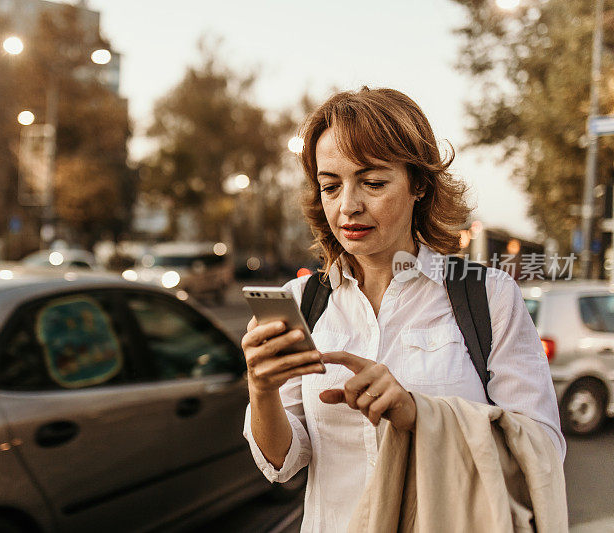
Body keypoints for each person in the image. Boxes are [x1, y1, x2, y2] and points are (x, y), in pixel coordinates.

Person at [240, 87, 565, 532]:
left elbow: (543, 449)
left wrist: (419, 414)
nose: (348, 206)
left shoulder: (488, 297)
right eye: (331, 186)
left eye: (372, 182)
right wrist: (261, 391)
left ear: (419, 185)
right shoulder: (303, 302)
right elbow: (283, 462)